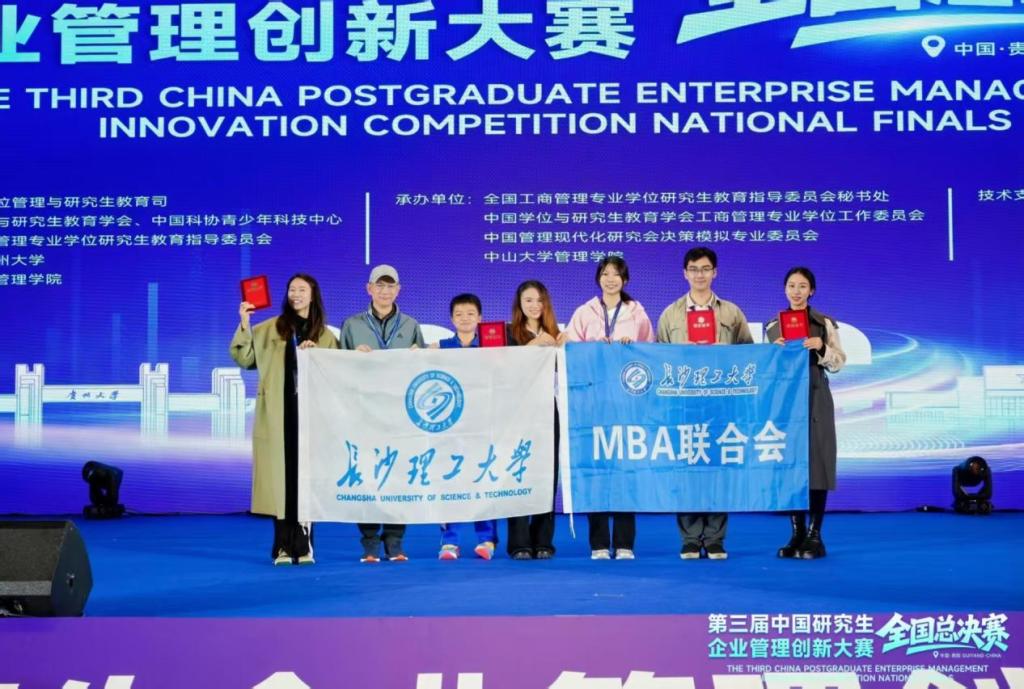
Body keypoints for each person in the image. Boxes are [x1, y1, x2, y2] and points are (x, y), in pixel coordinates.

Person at [230, 273, 338, 566]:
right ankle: (282, 547)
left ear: (313, 295)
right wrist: (244, 323)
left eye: (302, 289)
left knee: (306, 482)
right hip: (278, 416)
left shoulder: (325, 336)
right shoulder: (269, 329)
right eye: (292, 289)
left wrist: (318, 358)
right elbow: (244, 358)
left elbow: (337, 375)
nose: (296, 294)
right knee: (282, 483)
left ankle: (304, 546)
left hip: (311, 418)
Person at [656, 247, 753, 560]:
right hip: (683, 404)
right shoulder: (670, 314)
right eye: (694, 269)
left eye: (706, 268)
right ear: (685, 273)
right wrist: (680, 352)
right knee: (685, 470)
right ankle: (689, 538)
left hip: (721, 403)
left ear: (715, 273)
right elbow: (657, 360)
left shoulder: (732, 313)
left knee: (717, 469)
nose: (700, 274)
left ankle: (714, 538)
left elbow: (749, 355)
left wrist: (721, 353)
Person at [564, 256, 654, 560]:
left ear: (625, 280)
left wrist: (632, 348)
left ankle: (625, 543)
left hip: (628, 406)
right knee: (596, 472)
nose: (610, 279)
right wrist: (592, 348)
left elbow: (650, 353)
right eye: (605, 273)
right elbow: (569, 351)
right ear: (598, 278)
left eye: (616, 274)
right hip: (593, 406)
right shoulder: (584, 312)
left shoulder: (637, 312)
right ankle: (599, 544)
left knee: (626, 471)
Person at [339, 264, 426, 563]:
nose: (385, 291)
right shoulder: (352, 325)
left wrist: (419, 357)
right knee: (366, 475)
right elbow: (337, 370)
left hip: (400, 414)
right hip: (363, 413)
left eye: (390, 286)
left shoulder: (411, 325)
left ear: (398, 290)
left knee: (398, 474)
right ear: (369, 288)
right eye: (380, 285)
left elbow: (422, 371)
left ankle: (395, 541)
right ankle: (369, 542)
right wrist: (352, 359)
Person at [766, 266, 846, 559]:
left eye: (802, 286)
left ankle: (815, 535)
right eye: (791, 285)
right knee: (791, 465)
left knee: (817, 463)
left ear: (811, 290)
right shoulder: (773, 326)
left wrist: (822, 347)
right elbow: (767, 370)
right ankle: (797, 533)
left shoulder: (824, 323)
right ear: (784, 289)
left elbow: (839, 362)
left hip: (816, 396)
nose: (796, 291)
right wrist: (774, 353)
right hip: (787, 400)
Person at [432, 293, 500, 560]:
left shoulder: (493, 345)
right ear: (451, 319)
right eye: (459, 314)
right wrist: (416, 354)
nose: (465, 318)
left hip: (484, 423)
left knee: (484, 477)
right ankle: (450, 541)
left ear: (480, 318)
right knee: (452, 480)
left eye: (471, 313)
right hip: (451, 427)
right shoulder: (441, 348)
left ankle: (487, 540)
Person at [506, 279, 561, 560]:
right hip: (517, 413)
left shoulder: (556, 333)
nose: (534, 305)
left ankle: (543, 541)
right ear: (519, 303)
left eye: (539, 300)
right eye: (528, 300)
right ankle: (519, 542)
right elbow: (501, 365)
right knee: (517, 472)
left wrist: (566, 346)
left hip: (549, 411)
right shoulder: (509, 332)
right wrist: (535, 344)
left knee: (547, 475)